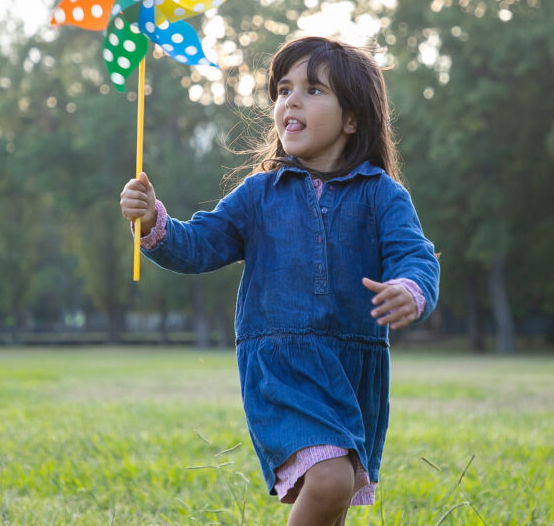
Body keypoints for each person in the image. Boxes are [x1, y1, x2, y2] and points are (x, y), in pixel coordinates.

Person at [120, 36, 439, 525]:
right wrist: (152, 222)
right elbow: (200, 244)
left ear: (352, 118)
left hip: (352, 367)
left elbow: (415, 257)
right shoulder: (258, 194)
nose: (290, 99)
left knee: (334, 495)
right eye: (284, 89)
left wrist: (410, 289)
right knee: (330, 478)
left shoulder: (382, 195)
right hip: (282, 365)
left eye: (312, 90)